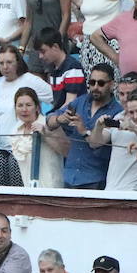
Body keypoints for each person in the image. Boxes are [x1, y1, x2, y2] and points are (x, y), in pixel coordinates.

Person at [43, 61, 121, 189]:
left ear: (112, 85)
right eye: (92, 82)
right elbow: (49, 121)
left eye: (101, 83)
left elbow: (97, 144)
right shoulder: (80, 101)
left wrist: (82, 128)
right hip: (69, 175)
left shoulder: (117, 111)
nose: (95, 87)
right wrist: (59, 119)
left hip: (95, 179)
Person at [0, 45, 53, 185]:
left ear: (18, 62)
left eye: (9, 62)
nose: (5, 67)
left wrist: (44, 121)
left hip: (22, 148)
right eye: (1, 63)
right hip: (2, 146)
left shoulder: (30, 80)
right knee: (0, 192)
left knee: (19, 190)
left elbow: (56, 97)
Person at [88, 72, 137, 190]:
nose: (125, 99)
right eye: (121, 94)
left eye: (130, 94)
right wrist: (99, 127)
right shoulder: (118, 116)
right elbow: (94, 143)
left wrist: (134, 128)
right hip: (112, 187)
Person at [10, 86, 65, 187]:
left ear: (37, 107)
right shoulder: (15, 130)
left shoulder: (49, 124)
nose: (24, 109)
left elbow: (66, 150)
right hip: (28, 188)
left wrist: (46, 134)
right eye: (20, 105)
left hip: (51, 187)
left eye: (28, 105)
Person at [36, 28, 86, 112]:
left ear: (55, 46)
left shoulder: (72, 67)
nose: (40, 56)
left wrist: (52, 119)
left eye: (43, 51)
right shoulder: (53, 68)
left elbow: (71, 103)